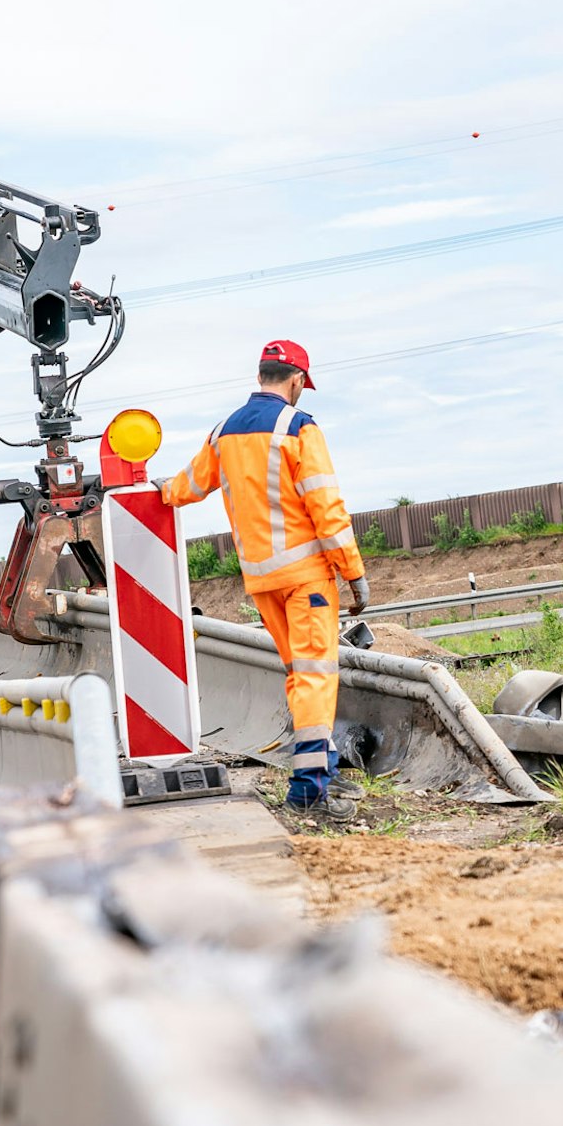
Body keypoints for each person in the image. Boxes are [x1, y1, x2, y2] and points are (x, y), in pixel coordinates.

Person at [161, 340, 368, 819]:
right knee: (317, 675)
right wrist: (354, 572)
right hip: (307, 578)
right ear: (296, 381)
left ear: (262, 376)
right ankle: (310, 788)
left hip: (262, 581)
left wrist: (155, 490)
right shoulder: (299, 427)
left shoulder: (224, 432)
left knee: (301, 674)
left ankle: (324, 770)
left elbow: (186, 486)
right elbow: (326, 507)